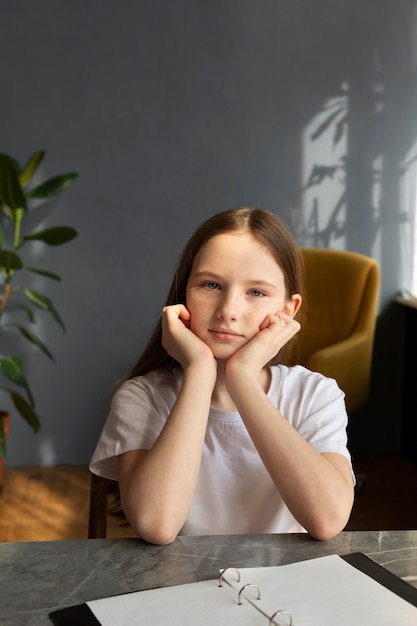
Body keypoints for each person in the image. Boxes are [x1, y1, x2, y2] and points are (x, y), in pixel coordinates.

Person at [90, 207, 354, 544]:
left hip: (285, 588)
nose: (229, 310)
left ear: (288, 311)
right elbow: (157, 525)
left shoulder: (315, 395)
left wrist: (242, 378)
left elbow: (327, 519)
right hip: (181, 585)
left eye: (256, 292)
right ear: (183, 295)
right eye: (211, 284)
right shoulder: (142, 397)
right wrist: (199, 370)